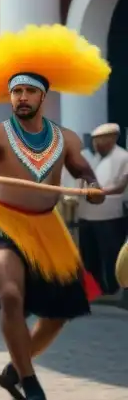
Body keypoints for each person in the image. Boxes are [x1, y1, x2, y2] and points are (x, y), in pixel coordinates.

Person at [0, 24, 109, 400]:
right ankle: (32, 382)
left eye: (28, 92)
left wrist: (92, 186)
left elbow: (84, 171)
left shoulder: (66, 138)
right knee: (12, 297)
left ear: (43, 96)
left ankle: (13, 370)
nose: (21, 98)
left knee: (59, 314)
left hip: (47, 227)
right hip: (2, 222)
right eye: (16, 92)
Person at [77, 122, 128, 295]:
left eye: (101, 141)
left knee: (111, 255)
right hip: (87, 215)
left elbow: (121, 185)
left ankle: (113, 289)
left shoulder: (123, 157)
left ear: (113, 139)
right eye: (94, 141)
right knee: (89, 255)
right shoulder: (94, 159)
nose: (96, 145)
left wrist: (100, 192)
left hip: (110, 217)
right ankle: (95, 288)